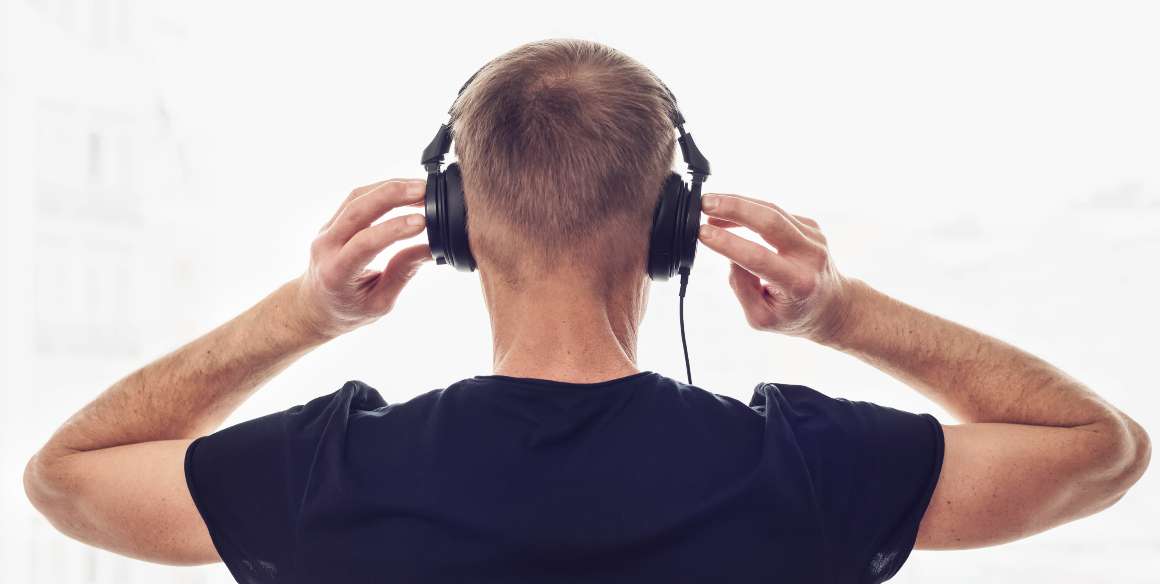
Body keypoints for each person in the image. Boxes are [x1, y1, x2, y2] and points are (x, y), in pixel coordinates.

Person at [24, 39, 1150, 584]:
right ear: (671, 228)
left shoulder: (327, 475)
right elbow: (1099, 450)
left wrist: (305, 314)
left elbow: (66, 478)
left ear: (454, 222)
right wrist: (840, 313)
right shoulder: (807, 469)